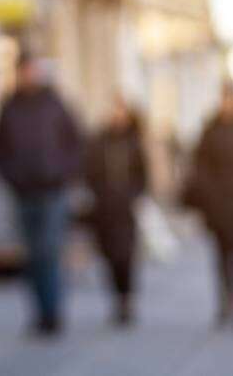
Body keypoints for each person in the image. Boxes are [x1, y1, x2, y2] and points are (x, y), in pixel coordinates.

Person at [0, 55, 83, 336]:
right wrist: (11, 177)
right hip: (23, 193)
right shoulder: (9, 107)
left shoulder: (56, 104)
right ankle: (39, 313)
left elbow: (76, 143)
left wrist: (64, 174)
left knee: (49, 251)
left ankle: (53, 313)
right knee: (32, 256)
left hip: (53, 191)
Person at [188, 83, 233, 329]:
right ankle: (225, 301)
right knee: (221, 256)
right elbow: (200, 169)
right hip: (217, 205)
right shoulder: (210, 133)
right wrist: (209, 195)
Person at [84, 97, 147, 327]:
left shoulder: (134, 142)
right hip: (105, 209)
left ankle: (127, 298)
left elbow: (143, 176)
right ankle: (116, 299)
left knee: (126, 256)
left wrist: (134, 196)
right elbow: (90, 171)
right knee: (109, 255)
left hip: (126, 209)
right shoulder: (99, 141)